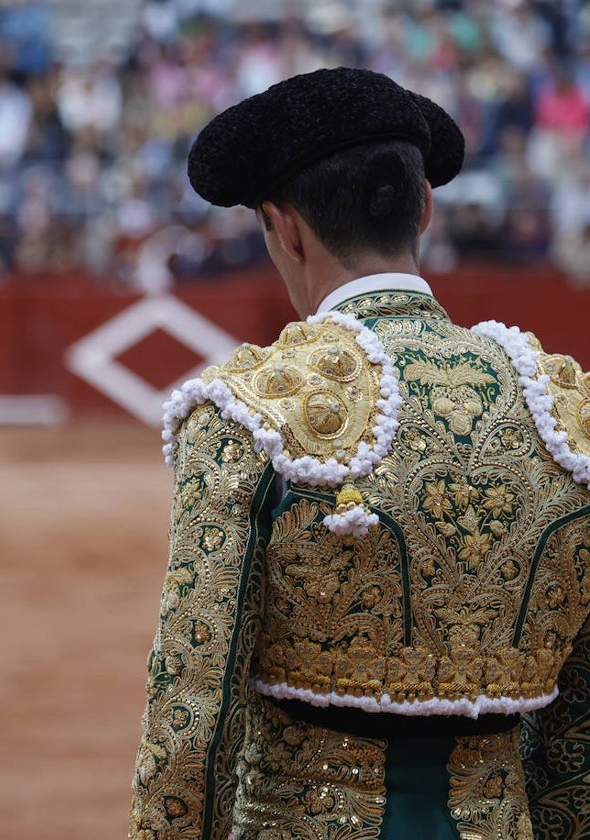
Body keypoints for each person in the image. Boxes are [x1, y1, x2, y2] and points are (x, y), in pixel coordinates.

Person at [130, 67, 590, 839]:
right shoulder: (568, 416)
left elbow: (193, 723)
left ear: (285, 227)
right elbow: (578, 734)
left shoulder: (249, 413)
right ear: (426, 207)